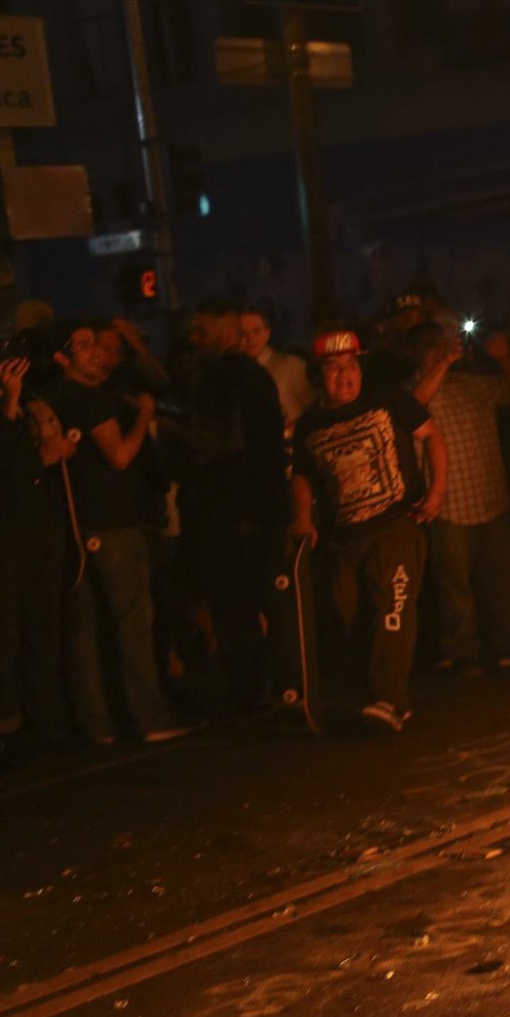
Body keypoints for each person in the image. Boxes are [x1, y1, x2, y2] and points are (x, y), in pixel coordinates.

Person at [44, 322, 192, 744]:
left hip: (75, 526)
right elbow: (121, 456)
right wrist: (143, 415)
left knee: (85, 629)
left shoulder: (52, 399)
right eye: (84, 346)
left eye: (97, 345)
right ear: (62, 357)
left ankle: (97, 725)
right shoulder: (90, 401)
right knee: (131, 622)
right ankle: (150, 717)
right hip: (112, 526)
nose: (95, 354)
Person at [291, 328, 443, 731]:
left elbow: (431, 436)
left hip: (396, 524)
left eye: (352, 365)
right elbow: (303, 474)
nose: (345, 375)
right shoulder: (311, 423)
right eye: (334, 368)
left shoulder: (389, 399)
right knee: (348, 613)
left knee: (391, 609)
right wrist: (303, 516)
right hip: (346, 535)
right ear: (317, 377)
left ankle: (390, 700)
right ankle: (372, 694)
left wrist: (437, 490)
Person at [171, 300, 287, 715]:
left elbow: (217, 443)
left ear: (222, 333)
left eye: (200, 331)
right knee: (257, 602)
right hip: (254, 507)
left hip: (232, 510)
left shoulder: (226, 377)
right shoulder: (253, 376)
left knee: (236, 605)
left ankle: (250, 690)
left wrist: (169, 430)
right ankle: (273, 683)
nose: (193, 339)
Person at [411, 321, 510, 671]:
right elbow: (417, 404)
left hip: (489, 494)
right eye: (431, 345)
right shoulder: (411, 391)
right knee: (455, 587)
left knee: (504, 578)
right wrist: (445, 362)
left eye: (444, 344)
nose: (440, 350)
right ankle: (462, 652)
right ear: (417, 352)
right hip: (448, 503)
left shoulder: (469, 385)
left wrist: (505, 359)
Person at [0, 312, 69, 739]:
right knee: (2, 628)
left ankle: (44, 719)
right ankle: (5, 724)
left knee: (40, 623)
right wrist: (10, 406)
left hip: (33, 520)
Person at [240, 308, 314, 426]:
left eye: (256, 331)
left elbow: (312, 408)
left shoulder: (291, 365)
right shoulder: (236, 374)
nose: (250, 338)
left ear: (267, 333)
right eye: (243, 333)